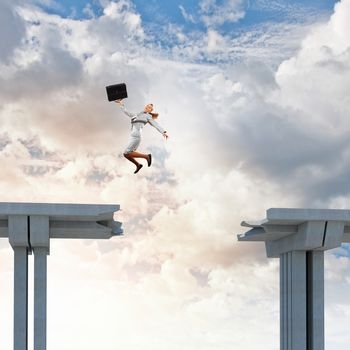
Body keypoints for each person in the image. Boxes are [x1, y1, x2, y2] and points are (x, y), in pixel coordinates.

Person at [115, 99, 169, 174]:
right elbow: (126, 112)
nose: (147, 107)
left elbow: (155, 124)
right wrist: (121, 104)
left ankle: (146, 157)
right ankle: (138, 165)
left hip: (137, 135)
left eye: (149, 107)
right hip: (132, 135)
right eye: (147, 106)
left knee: (126, 153)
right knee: (127, 154)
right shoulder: (137, 114)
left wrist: (163, 132)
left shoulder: (148, 116)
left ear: (151, 111)